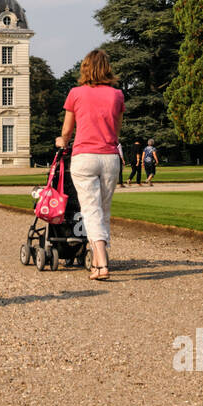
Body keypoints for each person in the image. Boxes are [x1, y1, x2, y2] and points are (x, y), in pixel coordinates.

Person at [56, 49, 124, 282]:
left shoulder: (75, 93)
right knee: (103, 210)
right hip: (109, 156)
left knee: (91, 210)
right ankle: (96, 262)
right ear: (107, 68)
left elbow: (67, 131)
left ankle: (102, 262)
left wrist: (61, 141)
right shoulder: (117, 95)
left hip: (84, 156)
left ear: (85, 68)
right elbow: (116, 131)